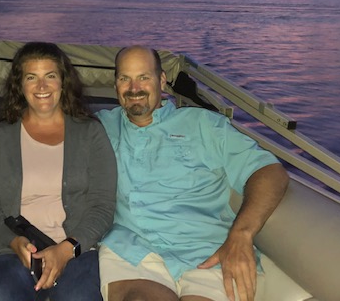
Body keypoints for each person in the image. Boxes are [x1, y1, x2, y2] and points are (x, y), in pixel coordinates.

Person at [97, 45, 290, 301]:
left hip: (207, 251)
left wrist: (241, 234)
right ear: (115, 85)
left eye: (144, 77)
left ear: (162, 80)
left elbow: (269, 172)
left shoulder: (205, 125)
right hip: (132, 248)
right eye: (125, 78)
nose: (134, 89)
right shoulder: (100, 127)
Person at [0, 42, 117, 301]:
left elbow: (103, 205)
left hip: (77, 250)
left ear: (63, 82)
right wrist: (12, 241)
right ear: (20, 85)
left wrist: (67, 249)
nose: (42, 87)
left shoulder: (90, 133)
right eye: (32, 78)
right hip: (13, 252)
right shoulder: (1, 137)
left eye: (50, 76)